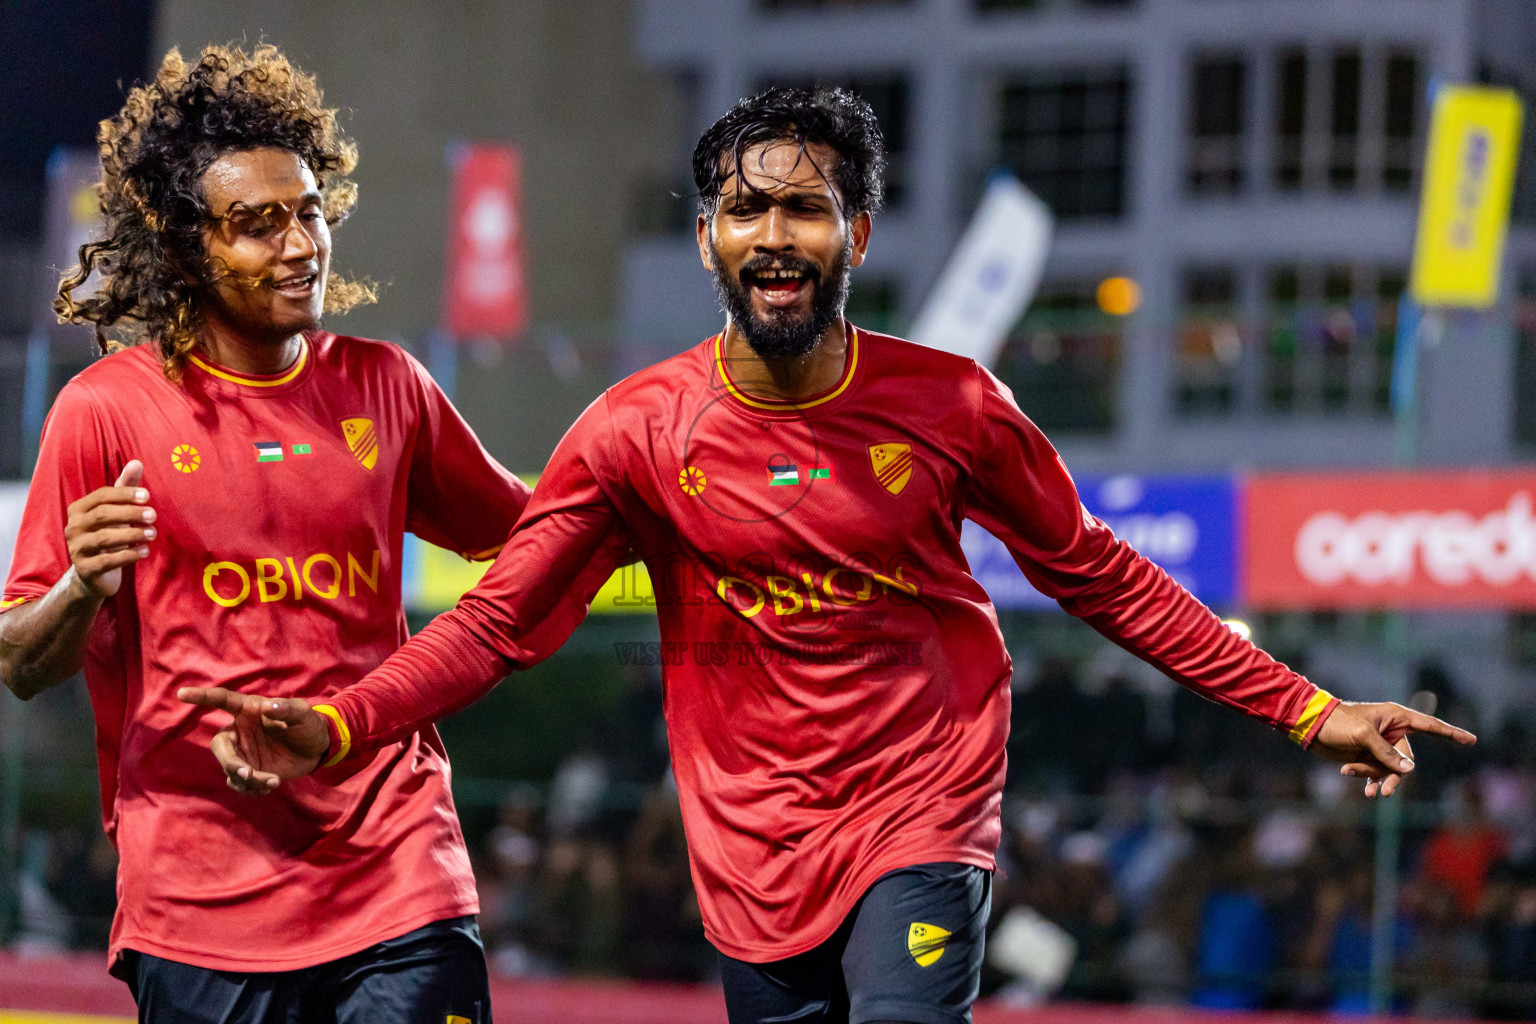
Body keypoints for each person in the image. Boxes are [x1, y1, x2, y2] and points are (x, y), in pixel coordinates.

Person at [183, 86, 1476, 1024]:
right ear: (708, 239)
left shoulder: (955, 404)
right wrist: (341, 725)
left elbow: (1102, 572)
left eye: (807, 208)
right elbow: (500, 623)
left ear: (857, 230)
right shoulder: (636, 429)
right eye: (747, 209)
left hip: (924, 813)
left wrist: (1306, 709)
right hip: (749, 853)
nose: (776, 235)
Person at [0, 44, 534, 1023]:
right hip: (197, 896)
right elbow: (19, 662)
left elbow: (537, 532)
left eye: (308, 211)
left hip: (397, 871)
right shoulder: (104, 412)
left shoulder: (390, 386)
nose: (298, 245)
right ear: (186, 248)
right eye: (255, 225)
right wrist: (81, 585)